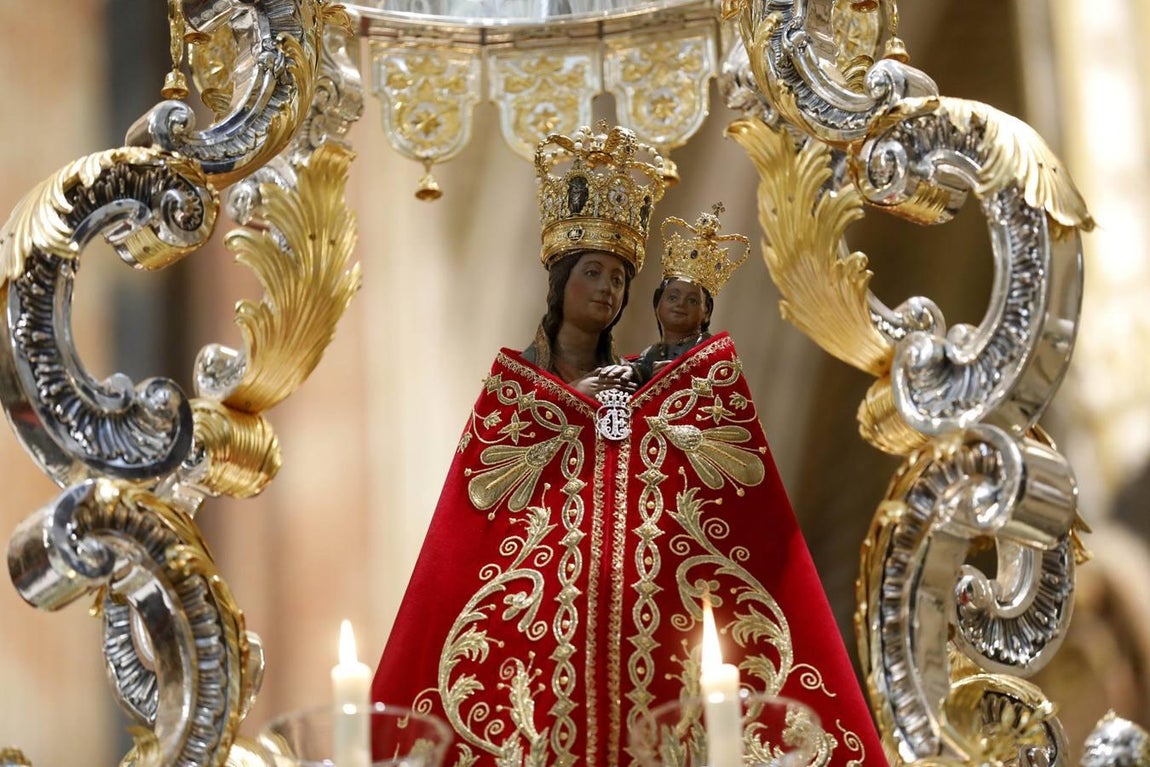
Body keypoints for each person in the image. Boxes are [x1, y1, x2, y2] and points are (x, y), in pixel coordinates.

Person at [371, 125, 887, 767]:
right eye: (592, 272)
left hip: (657, 666)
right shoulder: (516, 398)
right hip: (538, 672)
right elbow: (464, 555)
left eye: (619, 278)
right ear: (560, 282)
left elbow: (728, 515)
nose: (607, 289)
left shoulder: (649, 391)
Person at [632, 203, 746, 383]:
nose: (680, 304)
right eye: (673, 297)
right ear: (657, 302)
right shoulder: (651, 354)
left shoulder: (714, 355)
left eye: (692, 300)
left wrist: (681, 377)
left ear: (706, 312)